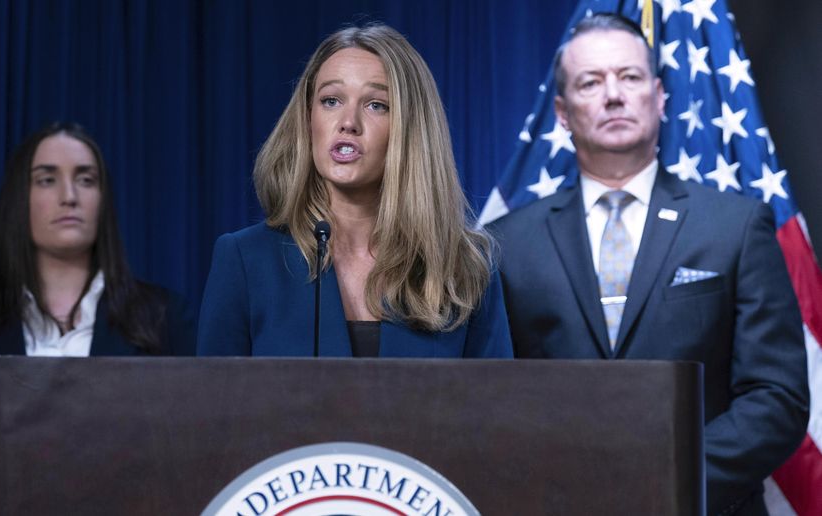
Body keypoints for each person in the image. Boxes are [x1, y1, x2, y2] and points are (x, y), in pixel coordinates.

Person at [490, 13, 808, 516]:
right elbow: (492, 399)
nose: (613, 95)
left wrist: (669, 477)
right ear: (562, 112)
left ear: (660, 97)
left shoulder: (737, 226)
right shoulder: (506, 244)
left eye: (630, 77)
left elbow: (778, 397)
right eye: (591, 82)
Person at [198, 24, 511, 359]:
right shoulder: (246, 261)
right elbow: (211, 406)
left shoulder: (465, 268)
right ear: (308, 119)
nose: (348, 122)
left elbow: (499, 407)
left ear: (409, 130)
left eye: (376, 105)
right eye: (331, 101)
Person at [0, 122, 196, 514]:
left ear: (103, 200)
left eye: (86, 179)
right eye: (46, 180)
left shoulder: (164, 318)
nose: (69, 196)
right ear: (18, 199)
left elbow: (191, 457)